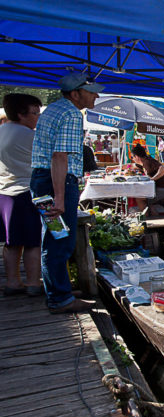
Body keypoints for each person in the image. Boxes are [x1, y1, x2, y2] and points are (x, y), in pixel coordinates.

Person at [30, 71, 102, 313]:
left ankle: (58, 290)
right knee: (59, 240)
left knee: (53, 235)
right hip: (56, 181)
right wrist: (60, 197)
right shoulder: (71, 113)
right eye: (91, 92)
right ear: (75, 94)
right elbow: (60, 156)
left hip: (42, 180)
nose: (96, 96)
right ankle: (60, 299)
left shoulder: (53, 108)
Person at [0, 93, 43, 297]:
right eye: (34, 113)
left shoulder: (2, 130)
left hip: (3, 193)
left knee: (11, 242)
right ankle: (33, 282)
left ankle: (13, 282)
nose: (37, 118)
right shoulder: (29, 136)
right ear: (20, 114)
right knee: (32, 242)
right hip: (25, 192)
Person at [130, 144, 164, 215]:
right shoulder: (145, 162)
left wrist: (152, 179)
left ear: (136, 156)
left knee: (139, 198)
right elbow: (130, 165)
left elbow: (163, 169)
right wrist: (113, 167)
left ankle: (147, 217)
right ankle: (152, 213)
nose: (132, 159)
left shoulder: (148, 162)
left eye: (132, 157)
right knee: (147, 197)